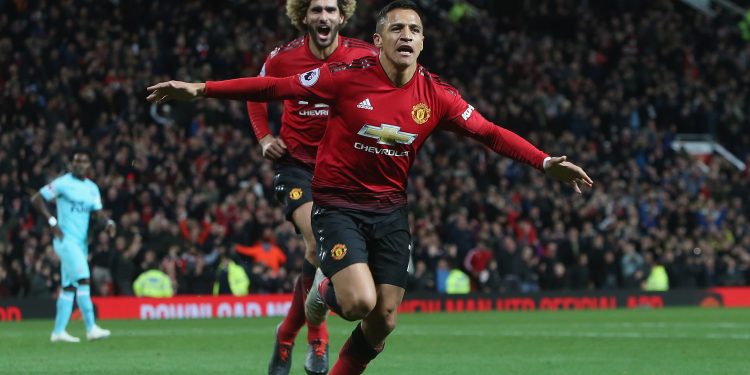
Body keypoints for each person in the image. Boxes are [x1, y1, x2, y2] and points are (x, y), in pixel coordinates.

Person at [146, 1, 593, 372]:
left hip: (391, 212)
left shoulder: (437, 95)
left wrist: (545, 160)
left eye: (414, 29)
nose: (406, 34)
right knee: (358, 302)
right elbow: (274, 86)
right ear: (378, 40)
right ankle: (320, 296)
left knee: (384, 321)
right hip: (337, 204)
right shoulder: (345, 76)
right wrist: (201, 89)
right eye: (396, 27)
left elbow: (491, 132)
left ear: (421, 42)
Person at [247, 0, 377, 374]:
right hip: (298, 166)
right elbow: (253, 92)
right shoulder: (282, 58)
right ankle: (317, 337)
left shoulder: (364, 56)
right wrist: (264, 135)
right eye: (316, 9)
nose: (324, 17)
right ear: (303, 15)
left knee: (319, 252)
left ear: (342, 16)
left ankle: (286, 333)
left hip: (344, 169)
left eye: (331, 10)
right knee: (316, 242)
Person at [31, 148, 115, 343]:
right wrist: (52, 222)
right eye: (77, 161)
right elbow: (36, 199)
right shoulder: (62, 183)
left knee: (69, 286)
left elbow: (97, 213)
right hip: (65, 241)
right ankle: (91, 327)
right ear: (72, 164)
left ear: (89, 166)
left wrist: (108, 223)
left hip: (80, 242)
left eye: (84, 162)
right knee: (84, 279)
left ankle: (58, 331)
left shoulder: (92, 188)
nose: (80, 165)